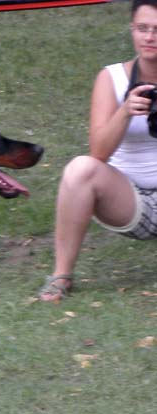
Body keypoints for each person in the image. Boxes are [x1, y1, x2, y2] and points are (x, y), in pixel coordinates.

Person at [38, 0, 157, 302]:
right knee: (80, 169)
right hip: (130, 200)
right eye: (142, 28)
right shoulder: (112, 78)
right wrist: (125, 111)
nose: (149, 37)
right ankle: (61, 276)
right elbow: (99, 153)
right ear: (131, 29)